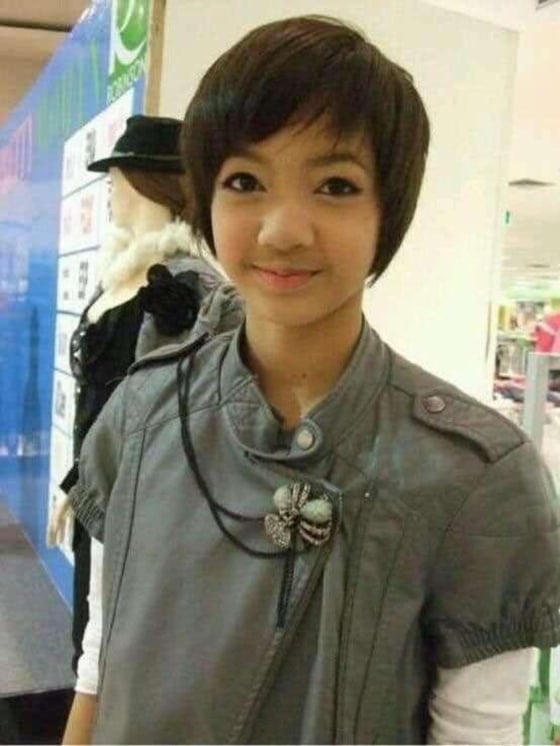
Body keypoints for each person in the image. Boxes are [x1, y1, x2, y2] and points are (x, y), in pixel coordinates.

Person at [63, 16, 560, 744]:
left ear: (388, 209)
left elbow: (477, 735)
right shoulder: (142, 411)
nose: (282, 230)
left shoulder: (476, 476)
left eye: (335, 185)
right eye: (245, 182)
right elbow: (101, 665)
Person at [48, 114, 241, 677]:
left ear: (144, 181)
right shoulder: (122, 275)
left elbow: (189, 413)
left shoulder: (188, 287)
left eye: (115, 177)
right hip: (98, 483)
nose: (109, 189)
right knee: (90, 637)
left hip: (147, 499)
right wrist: (79, 482)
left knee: (126, 644)